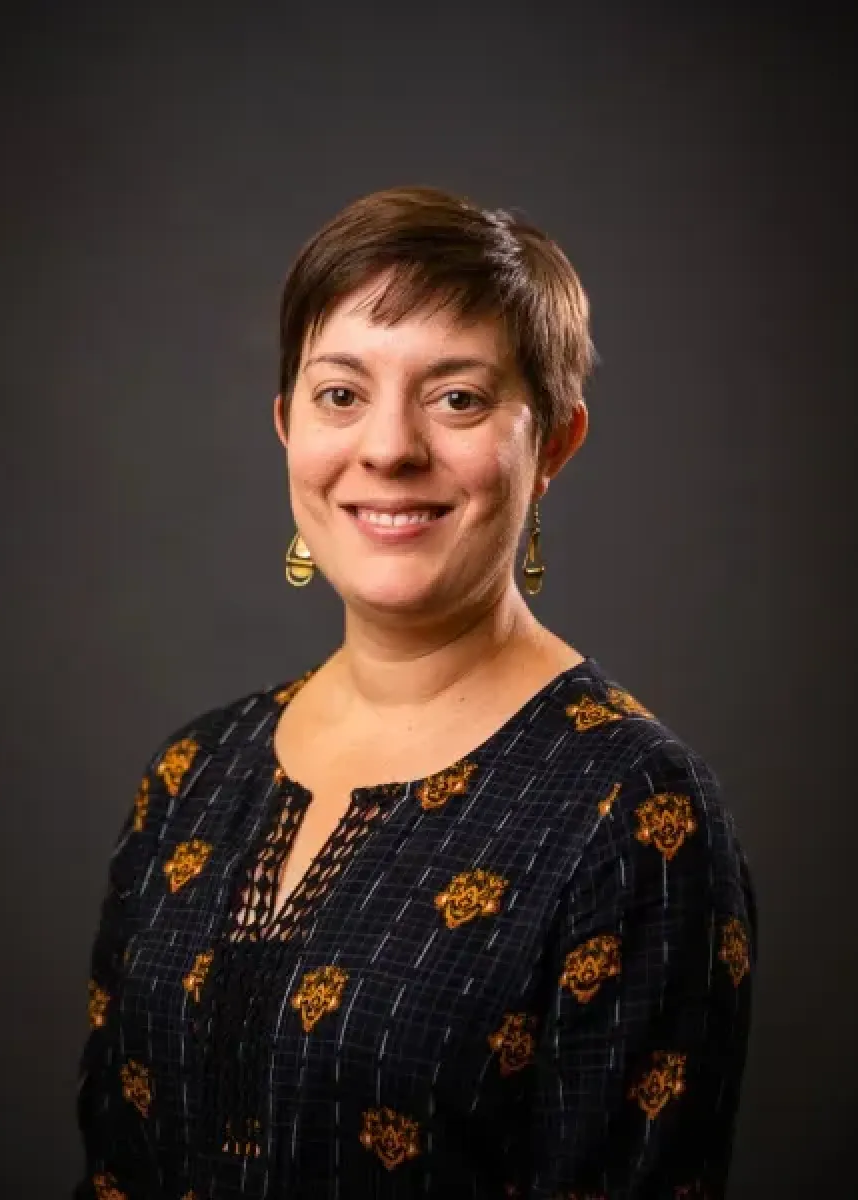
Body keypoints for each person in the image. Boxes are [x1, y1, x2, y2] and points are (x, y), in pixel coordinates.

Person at [74, 186, 756, 1200]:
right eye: (340, 394)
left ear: (554, 442)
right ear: (286, 428)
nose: (388, 448)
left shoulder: (630, 809)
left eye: (458, 398)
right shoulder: (193, 775)